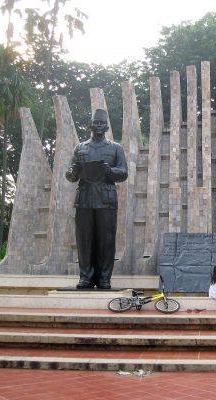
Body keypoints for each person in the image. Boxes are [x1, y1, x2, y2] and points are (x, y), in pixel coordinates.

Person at [65, 108, 128, 290]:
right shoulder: (80, 148)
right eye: (96, 123)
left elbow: (123, 173)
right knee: (84, 240)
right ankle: (86, 277)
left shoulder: (116, 148)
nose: (99, 126)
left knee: (106, 240)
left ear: (106, 126)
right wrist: (73, 172)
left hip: (106, 200)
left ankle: (104, 278)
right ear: (90, 125)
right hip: (84, 199)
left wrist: (110, 171)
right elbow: (70, 175)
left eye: (102, 123)